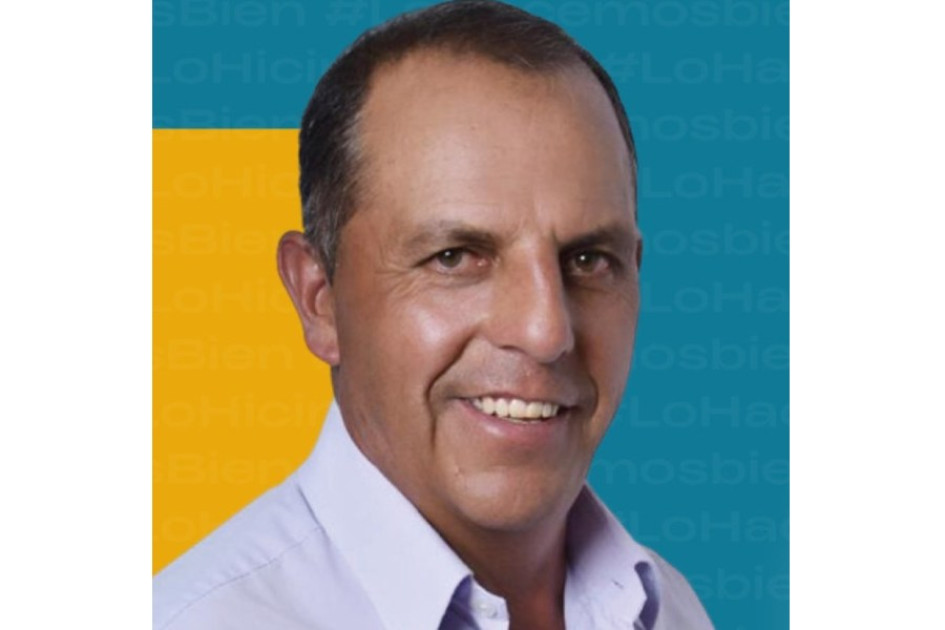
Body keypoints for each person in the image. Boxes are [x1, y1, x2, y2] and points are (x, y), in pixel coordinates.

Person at [153, 1, 713, 628]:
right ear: (319, 298)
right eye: (455, 258)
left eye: (587, 260)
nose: (545, 331)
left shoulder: (669, 606)